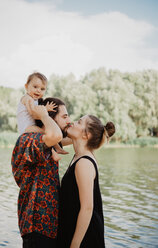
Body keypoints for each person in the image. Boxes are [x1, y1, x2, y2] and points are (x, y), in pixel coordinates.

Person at [11, 97, 71, 248]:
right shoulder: (29, 139)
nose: (69, 121)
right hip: (36, 228)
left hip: (49, 228)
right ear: (50, 119)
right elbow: (56, 136)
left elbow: (66, 138)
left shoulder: (48, 143)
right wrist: (43, 115)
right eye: (64, 117)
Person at [57, 115, 115, 248]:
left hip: (85, 239)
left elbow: (87, 208)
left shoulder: (84, 163)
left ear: (86, 135)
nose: (72, 122)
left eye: (79, 122)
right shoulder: (79, 156)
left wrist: (75, 245)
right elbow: (55, 138)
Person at [17, 72, 66, 161]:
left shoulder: (35, 100)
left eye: (42, 89)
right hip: (27, 127)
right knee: (46, 132)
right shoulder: (28, 99)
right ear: (26, 86)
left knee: (46, 133)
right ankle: (55, 151)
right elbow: (33, 113)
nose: (38, 90)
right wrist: (45, 109)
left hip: (30, 126)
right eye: (35, 87)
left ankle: (57, 149)